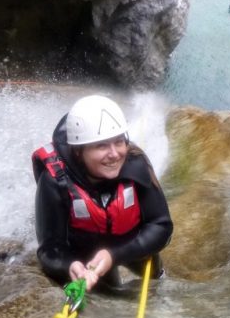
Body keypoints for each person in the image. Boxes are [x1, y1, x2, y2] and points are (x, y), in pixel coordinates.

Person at [32, 95, 173, 292]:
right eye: (101, 145)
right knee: (107, 291)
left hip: (130, 242)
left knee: (154, 279)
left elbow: (161, 226)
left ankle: (156, 276)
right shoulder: (55, 181)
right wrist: (70, 265)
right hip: (85, 253)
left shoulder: (135, 163)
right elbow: (49, 249)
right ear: (79, 151)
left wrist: (114, 255)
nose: (115, 154)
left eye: (119, 142)